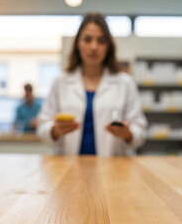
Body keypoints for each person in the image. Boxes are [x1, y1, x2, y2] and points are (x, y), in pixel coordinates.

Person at [37, 13, 147, 156]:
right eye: (87, 39)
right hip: (69, 166)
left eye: (101, 41)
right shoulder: (61, 82)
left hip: (113, 168)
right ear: (78, 44)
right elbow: (42, 127)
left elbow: (140, 132)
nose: (94, 46)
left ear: (108, 46)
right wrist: (54, 131)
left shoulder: (125, 83)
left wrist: (128, 134)